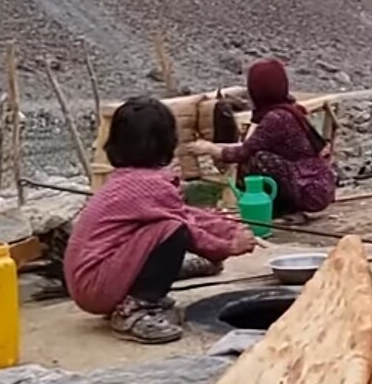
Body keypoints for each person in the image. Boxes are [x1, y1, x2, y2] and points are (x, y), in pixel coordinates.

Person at [65, 97, 256, 344]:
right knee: (171, 230)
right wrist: (229, 246)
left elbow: (186, 213)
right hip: (95, 286)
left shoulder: (127, 180)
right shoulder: (150, 186)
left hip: (89, 282)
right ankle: (134, 310)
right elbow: (186, 227)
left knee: (168, 226)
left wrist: (227, 228)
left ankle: (135, 294)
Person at [187, 58, 337, 219]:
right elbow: (249, 144)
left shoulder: (277, 118)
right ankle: (279, 209)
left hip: (310, 190)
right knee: (256, 156)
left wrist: (209, 149)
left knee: (258, 160)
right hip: (313, 183)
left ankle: (286, 210)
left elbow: (242, 152)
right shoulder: (287, 109)